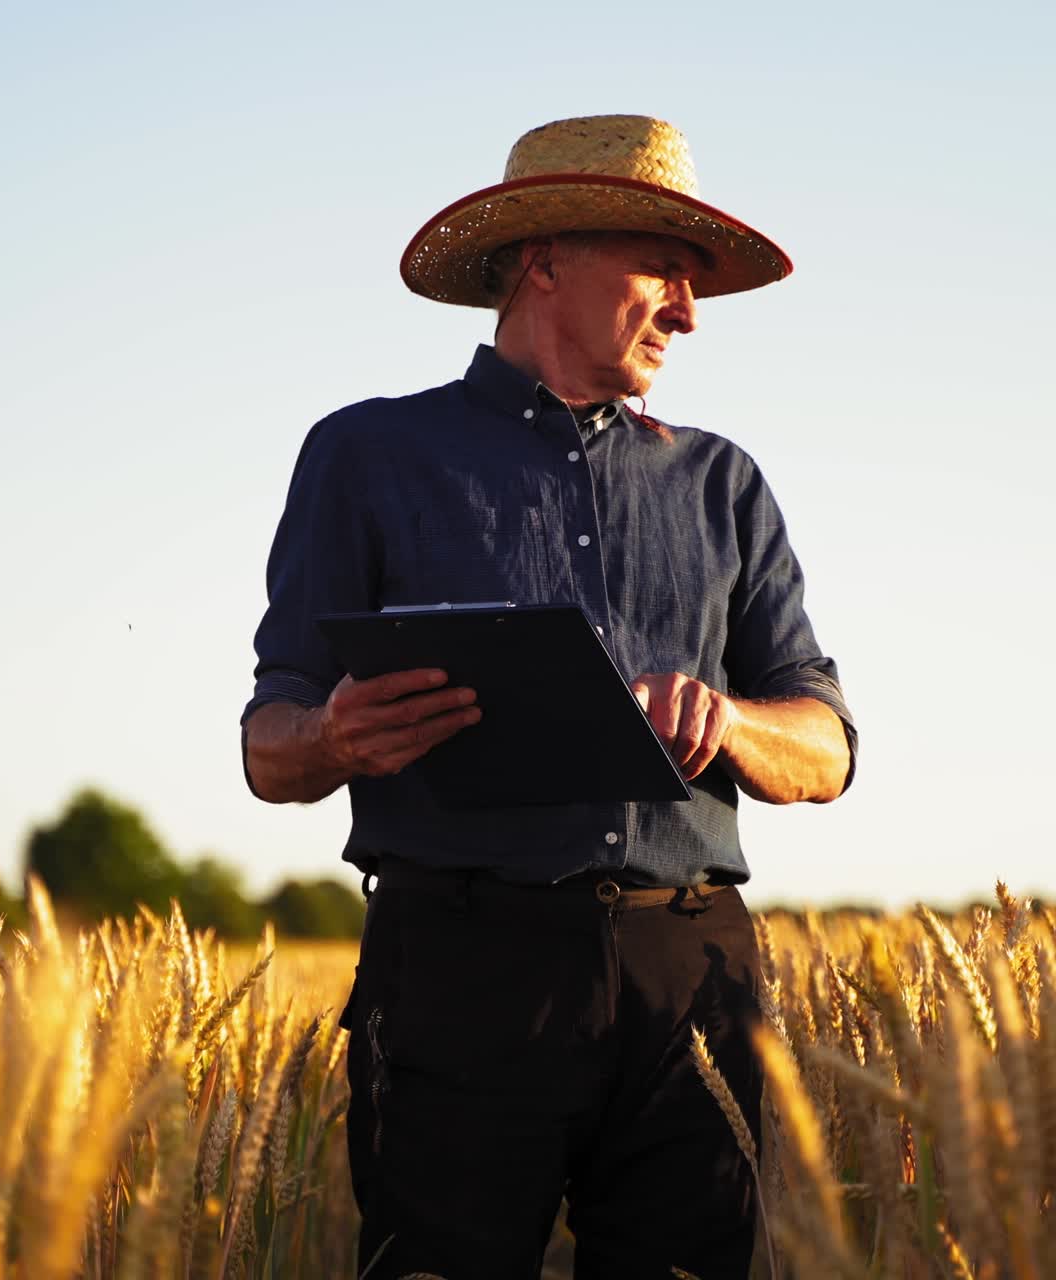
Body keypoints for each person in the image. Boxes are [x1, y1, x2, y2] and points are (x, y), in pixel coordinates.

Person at [240, 114, 857, 1280]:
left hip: (690, 977)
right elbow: (270, 743)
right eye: (661, 271)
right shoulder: (366, 455)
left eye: (693, 283)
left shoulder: (723, 480)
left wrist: (730, 722)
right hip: (459, 971)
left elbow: (823, 744)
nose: (685, 309)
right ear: (542, 262)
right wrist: (330, 733)